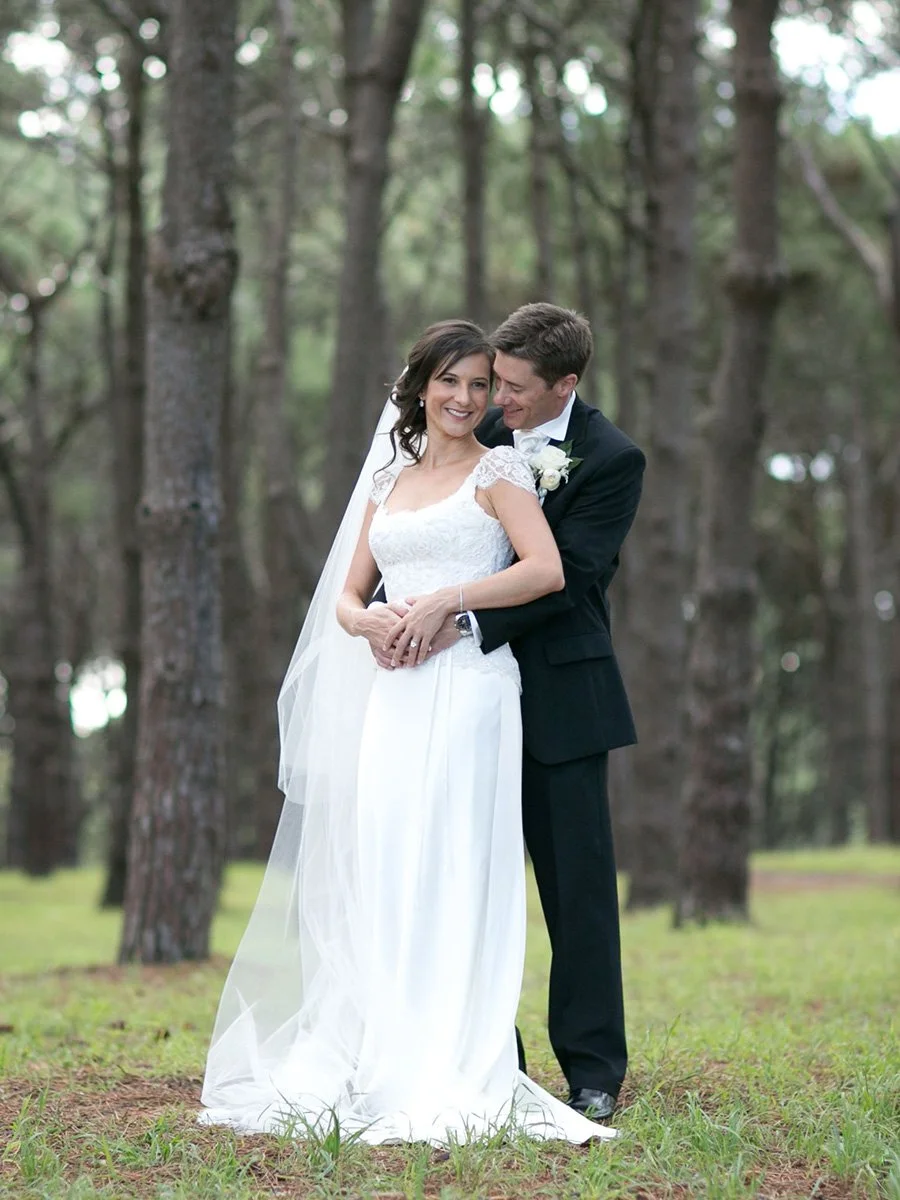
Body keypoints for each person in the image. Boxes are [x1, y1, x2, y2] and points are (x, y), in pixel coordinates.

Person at [199, 319, 616, 1146]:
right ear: (420, 386)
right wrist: (367, 623)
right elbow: (348, 592)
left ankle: (461, 1053)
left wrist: (448, 602)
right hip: (393, 693)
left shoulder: (501, 469)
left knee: (453, 862)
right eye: (451, 382)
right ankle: (388, 1039)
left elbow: (547, 570)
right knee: (387, 860)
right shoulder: (388, 475)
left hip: (468, 691)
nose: (467, 398)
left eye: (479, 384)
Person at [371, 303, 645, 1121]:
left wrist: (458, 620)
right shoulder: (480, 426)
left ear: (566, 384)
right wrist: (393, 615)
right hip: (454, 701)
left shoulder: (613, 458)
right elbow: (424, 528)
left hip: (558, 697)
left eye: (516, 389)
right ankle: (489, 1058)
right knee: (458, 879)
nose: (497, 401)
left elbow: (573, 576)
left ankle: (593, 1070)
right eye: (495, 382)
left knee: (576, 892)